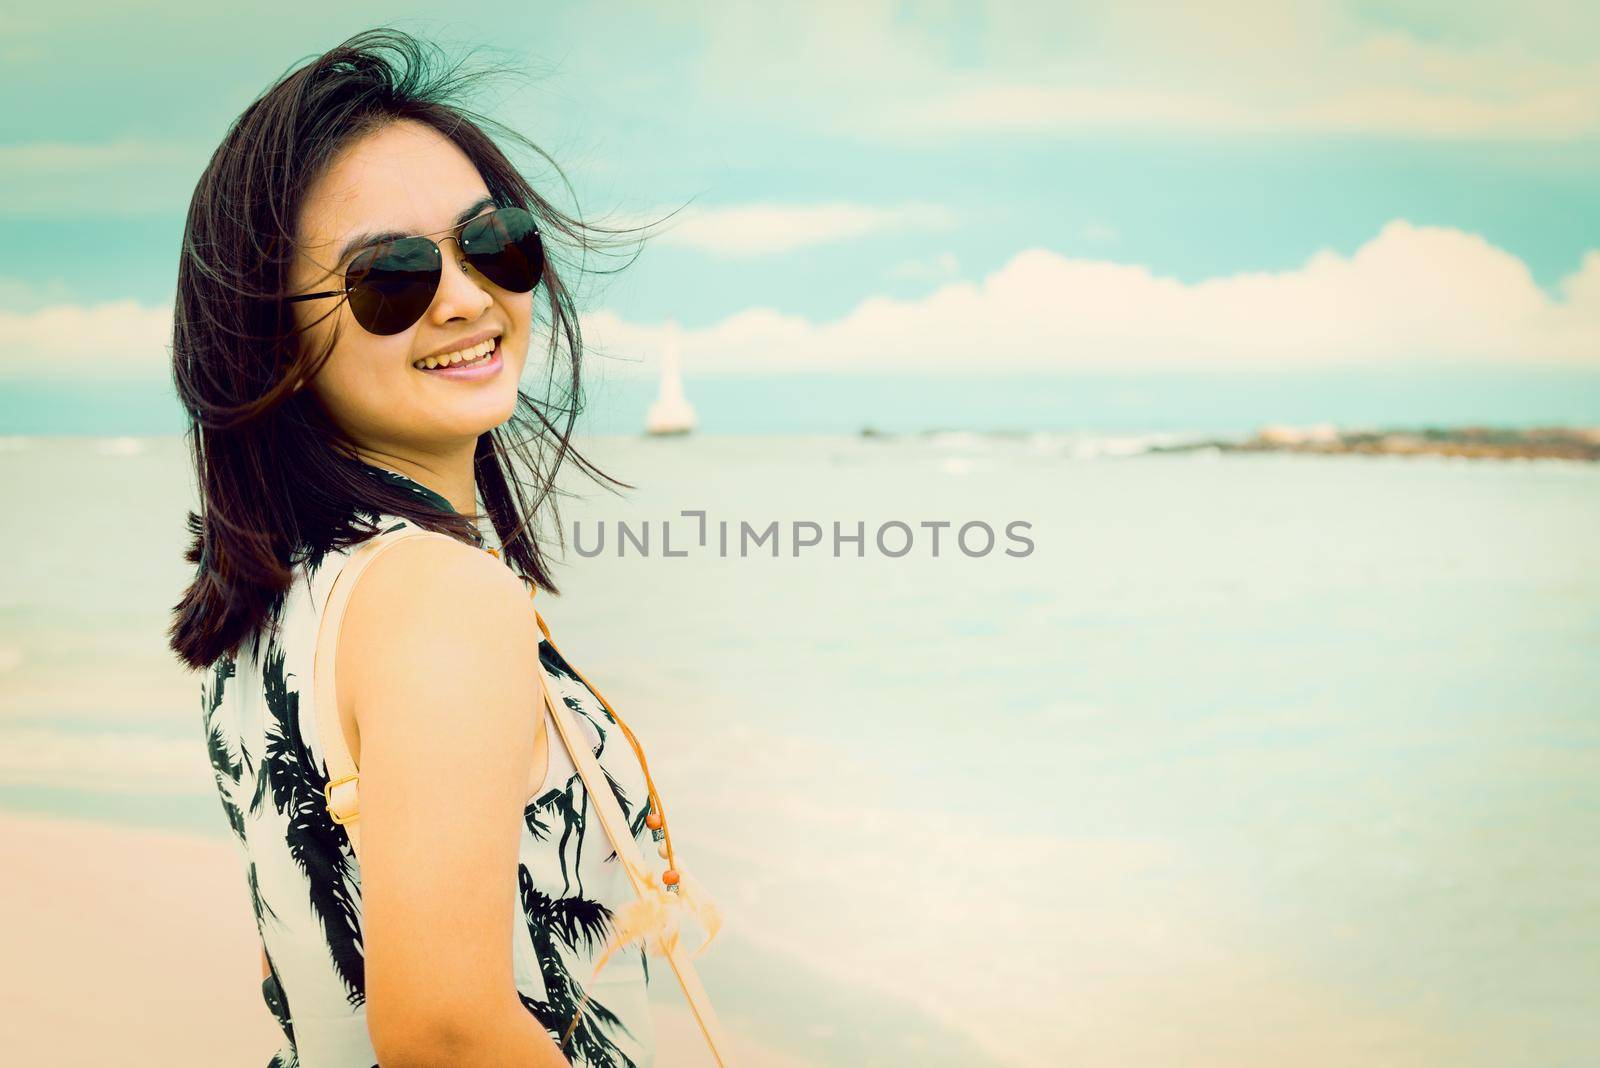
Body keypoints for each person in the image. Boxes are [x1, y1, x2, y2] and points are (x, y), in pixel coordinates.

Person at [168, 28, 687, 1067]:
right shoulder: (439, 596)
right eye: (391, 275)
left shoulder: (273, 602)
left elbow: (301, 963)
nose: (465, 297)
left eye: (492, 242)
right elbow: (444, 1033)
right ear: (272, 334)